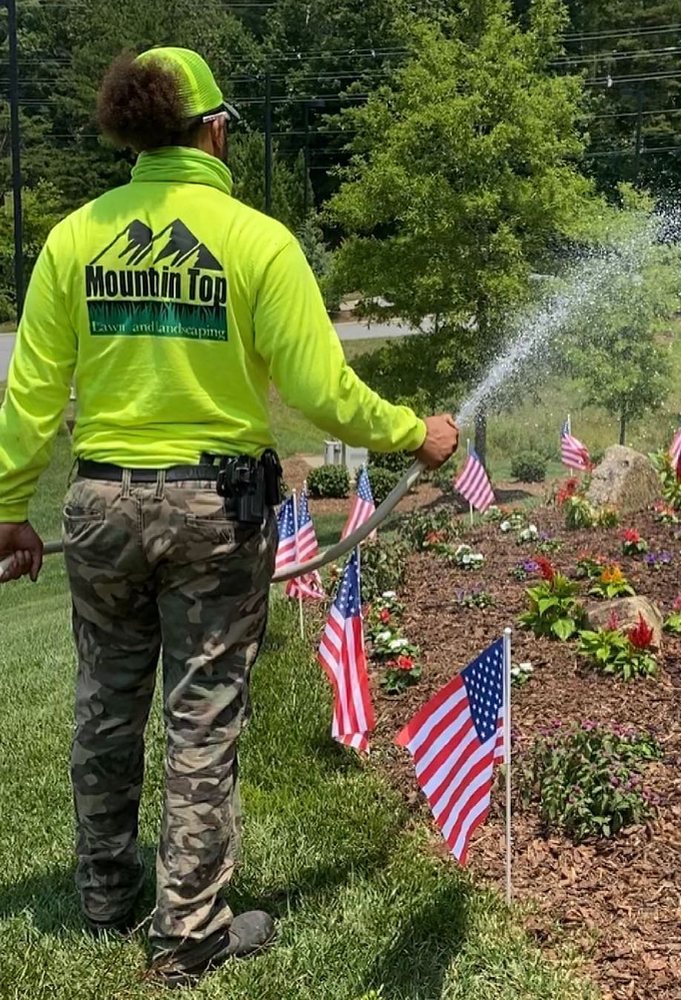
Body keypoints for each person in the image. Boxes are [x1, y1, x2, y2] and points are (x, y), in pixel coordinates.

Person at [0, 47, 459, 987]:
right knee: (201, 718)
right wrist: (415, 433)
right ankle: (189, 931)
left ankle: (104, 894)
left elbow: (33, 393)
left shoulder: (75, 239)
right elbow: (322, 391)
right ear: (212, 130)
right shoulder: (258, 240)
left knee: (107, 704)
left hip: (101, 504)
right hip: (215, 510)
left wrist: (9, 505)